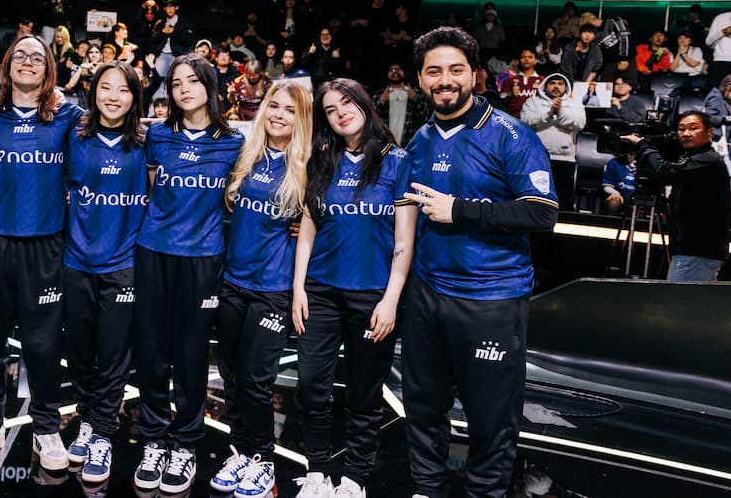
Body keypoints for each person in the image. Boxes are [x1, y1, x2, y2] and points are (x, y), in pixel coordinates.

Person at [399, 26, 559, 498]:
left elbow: (542, 212)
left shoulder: (511, 134)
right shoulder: (422, 138)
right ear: (420, 80)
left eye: (455, 70)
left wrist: (460, 210)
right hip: (428, 295)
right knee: (424, 407)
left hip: (490, 297)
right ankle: (427, 488)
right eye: (434, 72)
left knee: (490, 416)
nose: (445, 80)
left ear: (475, 76)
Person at [0, 34, 84, 472]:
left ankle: (46, 427)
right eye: (20, 56)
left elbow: (118, 125)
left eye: (38, 57)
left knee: (43, 344)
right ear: (6, 66)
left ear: (50, 70)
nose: (28, 62)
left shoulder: (68, 116)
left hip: (45, 245)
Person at [291, 78, 415, 498]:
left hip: (372, 297)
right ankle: (317, 471)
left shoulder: (397, 161)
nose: (340, 112)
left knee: (364, 393)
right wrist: (298, 288)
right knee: (311, 385)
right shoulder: (321, 160)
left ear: (365, 103)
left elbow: (404, 242)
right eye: (330, 108)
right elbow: (307, 229)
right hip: (321, 291)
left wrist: (391, 300)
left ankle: (356, 479)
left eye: (347, 103)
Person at [132, 53, 243, 494]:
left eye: (192, 82)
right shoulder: (157, 136)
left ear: (210, 88)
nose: (183, 90)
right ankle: (154, 438)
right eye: (176, 84)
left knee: (192, 352)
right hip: (154, 251)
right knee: (152, 349)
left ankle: (188, 442)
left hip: (204, 258)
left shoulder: (234, 142)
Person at [211, 80, 312, 496]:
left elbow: (327, 222)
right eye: (274, 106)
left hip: (273, 290)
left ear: (301, 118)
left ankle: (263, 462)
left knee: (256, 381)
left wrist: (306, 228)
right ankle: (240, 452)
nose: (278, 115)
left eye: (289, 110)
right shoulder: (246, 153)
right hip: (233, 282)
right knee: (230, 375)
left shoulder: (308, 165)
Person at [62, 61, 149, 484]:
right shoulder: (72, 134)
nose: (113, 96)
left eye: (123, 90)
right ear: (93, 92)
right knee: (79, 350)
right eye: (106, 88)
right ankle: (86, 418)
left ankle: (101, 434)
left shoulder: (148, 143)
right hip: (76, 261)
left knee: (113, 355)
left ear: (135, 97)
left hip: (124, 265)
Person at [621, 111, 730, 281]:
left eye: (693, 128)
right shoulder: (696, 157)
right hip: (695, 248)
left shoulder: (707, 160)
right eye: (681, 129)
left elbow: (665, 172)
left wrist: (644, 145)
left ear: (710, 132)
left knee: (677, 303)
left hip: (697, 249)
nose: (685, 133)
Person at [520, 73, 585, 210]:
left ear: (566, 87)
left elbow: (579, 124)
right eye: (552, 83)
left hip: (565, 158)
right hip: (537, 158)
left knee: (564, 199)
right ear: (545, 86)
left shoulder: (574, 103)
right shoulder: (533, 102)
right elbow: (525, 122)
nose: (556, 86)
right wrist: (549, 115)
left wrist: (560, 112)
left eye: (560, 84)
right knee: (536, 198)